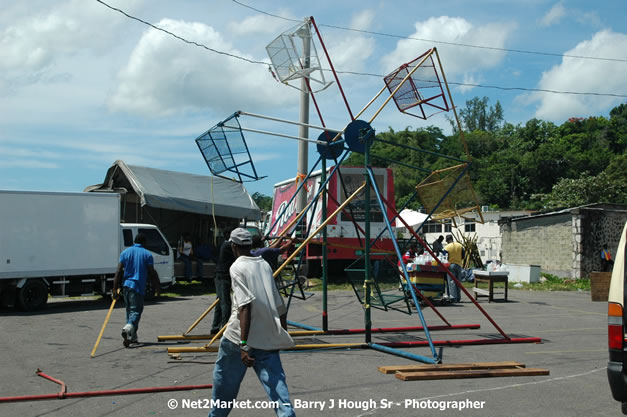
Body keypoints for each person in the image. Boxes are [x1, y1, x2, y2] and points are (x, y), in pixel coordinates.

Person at [209, 228, 296, 417]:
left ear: (233, 246)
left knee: (224, 391)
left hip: (237, 339)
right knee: (278, 390)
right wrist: (281, 333)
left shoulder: (237, 267)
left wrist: (243, 344)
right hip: (266, 337)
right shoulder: (264, 265)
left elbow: (245, 306)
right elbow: (279, 304)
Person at [113, 233, 161, 347]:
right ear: (144, 243)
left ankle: (132, 337)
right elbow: (152, 272)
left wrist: (114, 288)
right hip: (137, 286)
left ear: (134, 241)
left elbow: (118, 272)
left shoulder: (125, 253)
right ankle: (128, 328)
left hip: (126, 286)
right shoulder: (147, 254)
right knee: (136, 311)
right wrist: (157, 287)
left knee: (129, 311)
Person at [210, 228, 236, 336]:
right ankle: (225, 328)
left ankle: (215, 328)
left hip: (223, 276)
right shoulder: (228, 245)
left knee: (220, 302)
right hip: (222, 276)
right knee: (225, 303)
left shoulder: (228, 245)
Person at [443, 235, 464, 303]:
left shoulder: (447, 247)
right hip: (459, 265)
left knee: (452, 282)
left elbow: (445, 257)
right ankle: (458, 297)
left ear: (447, 240)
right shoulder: (460, 245)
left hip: (451, 265)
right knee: (458, 282)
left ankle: (453, 298)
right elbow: (463, 255)